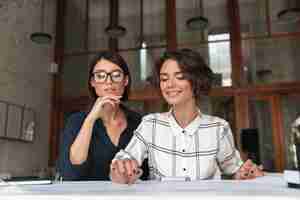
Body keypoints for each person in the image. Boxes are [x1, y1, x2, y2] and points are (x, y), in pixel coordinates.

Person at [110, 48, 264, 184]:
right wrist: (121, 170)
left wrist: (246, 173)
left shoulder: (218, 128)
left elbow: (233, 171)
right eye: (164, 79)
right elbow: (122, 162)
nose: (169, 84)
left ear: (196, 82)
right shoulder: (151, 124)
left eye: (180, 77)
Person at [58, 50, 149, 180]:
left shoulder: (140, 122)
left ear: (126, 81)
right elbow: (71, 173)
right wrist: (90, 119)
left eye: (116, 75)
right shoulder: (76, 121)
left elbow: (146, 173)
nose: (109, 81)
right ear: (92, 82)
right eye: (100, 76)